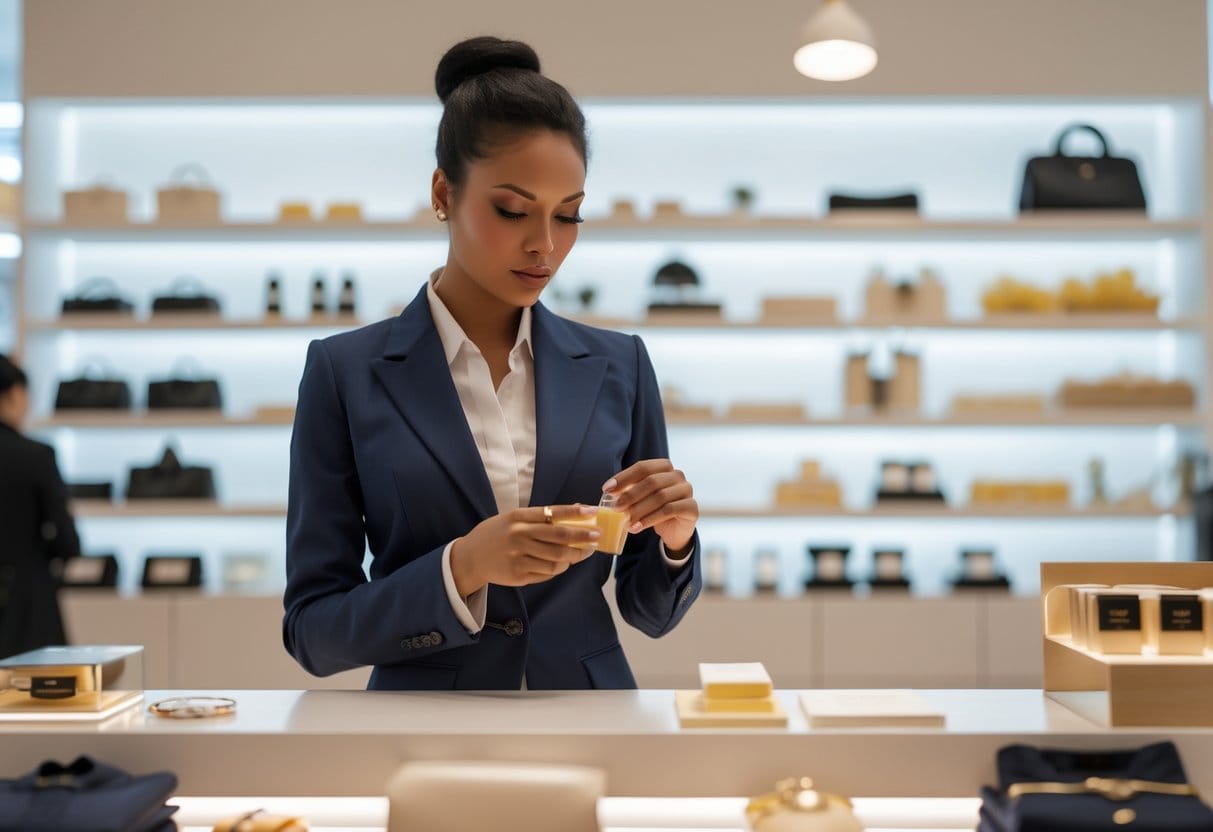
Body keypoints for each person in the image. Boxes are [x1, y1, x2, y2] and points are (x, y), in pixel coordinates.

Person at [283, 36, 702, 690]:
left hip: (590, 719)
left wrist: (675, 543)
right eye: (511, 210)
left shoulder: (620, 365)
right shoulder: (345, 372)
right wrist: (461, 568)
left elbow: (648, 611)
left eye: (569, 216)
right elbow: (312, 630)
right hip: (423, 726)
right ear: (443, 193)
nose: (545, 245)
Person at [0, 354, 79, 658]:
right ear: (15, 394)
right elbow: (68, 541)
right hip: (27, 608)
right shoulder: (35, 456)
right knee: (40, 698)